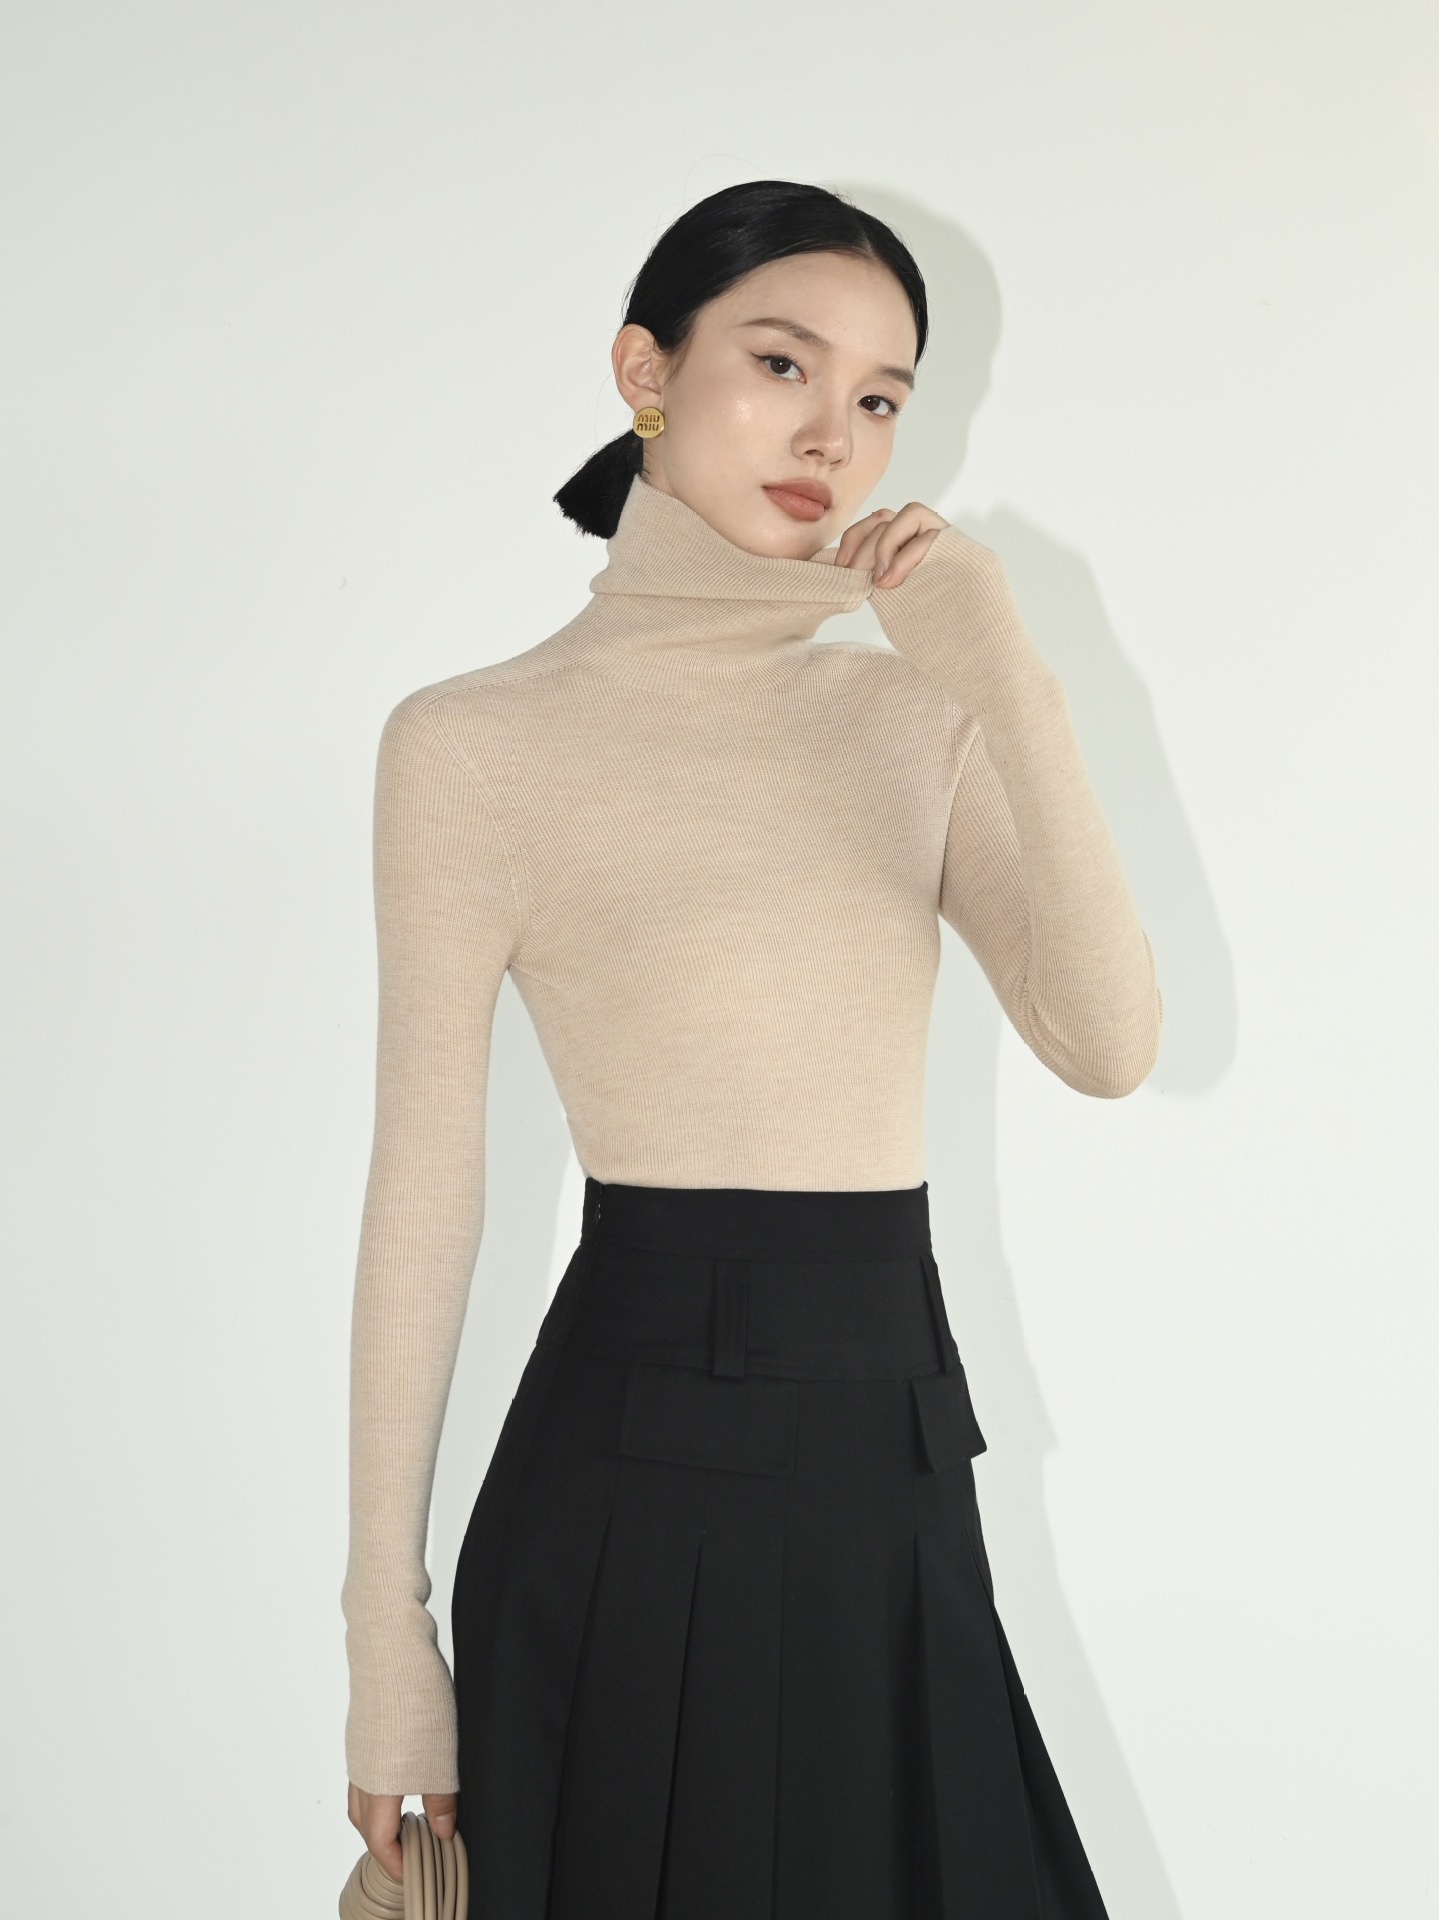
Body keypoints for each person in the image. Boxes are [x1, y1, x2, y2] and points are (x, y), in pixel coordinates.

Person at [341, 177, 1162, 1917]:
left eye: (880, 397)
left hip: (891, 1475)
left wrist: (1010, 680)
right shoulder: (474, 744)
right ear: (645, 370)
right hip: (625, 1503)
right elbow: (424, 1195)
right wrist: (383, 1637)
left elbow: (1110, 1043)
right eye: (782, 364)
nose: (832, 435)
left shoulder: (914, 712)